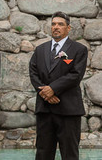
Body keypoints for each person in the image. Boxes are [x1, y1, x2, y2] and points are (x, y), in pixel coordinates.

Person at [29, 11, 88, 160]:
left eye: (60, 24)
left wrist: (53, 89)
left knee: (69, 154)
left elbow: (75, 75)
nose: (56, 27)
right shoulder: (40, 50)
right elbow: (33, 72)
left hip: (68, 110)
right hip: (45, 109)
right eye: (53, 24)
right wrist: (45, 93)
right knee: (43, 153)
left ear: (68, 28)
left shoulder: (79, 50)